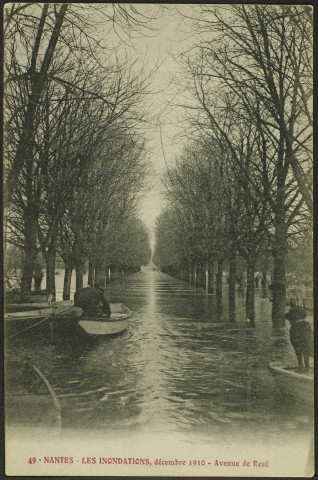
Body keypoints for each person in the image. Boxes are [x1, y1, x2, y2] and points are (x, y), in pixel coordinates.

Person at [285, 305, 313, 373]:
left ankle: (303, 367)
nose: (290, 321)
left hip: (303, 343)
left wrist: (296, 344)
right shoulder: (305, 324)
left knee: (300, 352)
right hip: (306, 343)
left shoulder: (295, 326)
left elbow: (295, 339)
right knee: (304, 352)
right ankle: (305, 367)